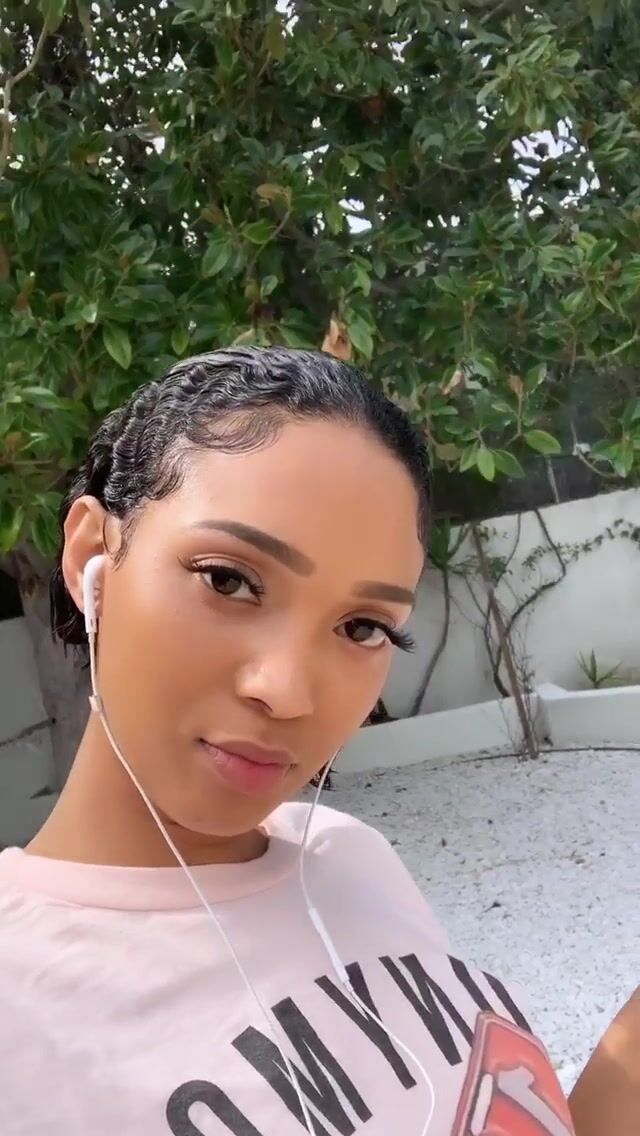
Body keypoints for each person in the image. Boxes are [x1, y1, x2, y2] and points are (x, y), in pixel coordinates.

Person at [0, 347, 576, 1136]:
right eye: (228, 579)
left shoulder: (348, 856)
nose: (288, 691)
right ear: (90, 556)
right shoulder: (19, 1004)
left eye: (362, 627)